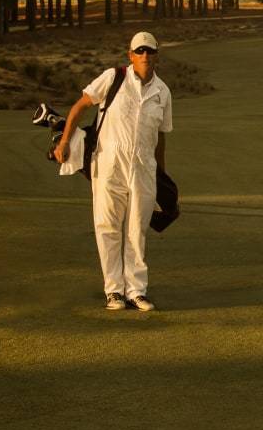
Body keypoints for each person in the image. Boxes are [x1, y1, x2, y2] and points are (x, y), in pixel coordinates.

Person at [54, 32, 173, 312]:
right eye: (139, 51)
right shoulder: (113, 78)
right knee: (108, 227)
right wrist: (64, 141)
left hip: (144, 169)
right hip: (108, 165)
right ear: (130, 55)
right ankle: (114, 292)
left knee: (137, 230)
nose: (145, 55)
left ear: (156, 55)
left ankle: (136, 291)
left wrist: (162, 175)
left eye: (150, 51)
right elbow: (80, 106)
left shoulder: (163, 92)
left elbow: (161, 136)